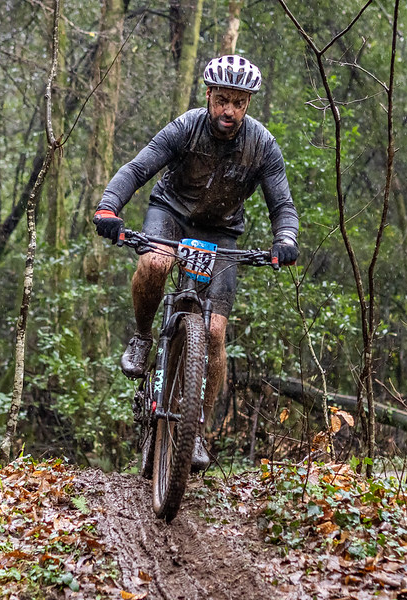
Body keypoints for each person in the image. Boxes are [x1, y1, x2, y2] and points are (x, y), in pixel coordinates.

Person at [93, 55, 299, 470]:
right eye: (222, 100)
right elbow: (137, 168)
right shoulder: (185, 128)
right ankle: (143, 336)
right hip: (170, 213)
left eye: (239, 103)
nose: (229, 111)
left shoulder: (262, 144)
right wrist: (109, 207)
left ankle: (195, 428)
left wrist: (286, 238)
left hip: (221, 232)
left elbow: (283, 204)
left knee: (216, 333)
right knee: (155, 264)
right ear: (208, 95)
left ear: (248, 104)